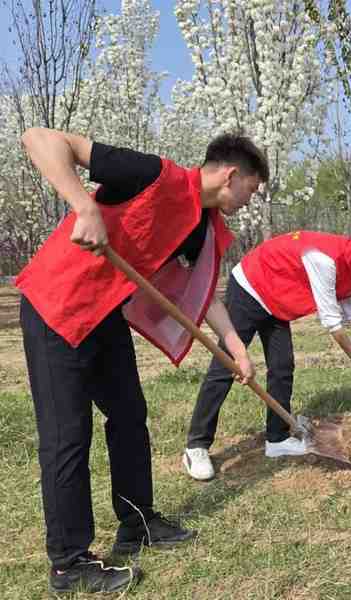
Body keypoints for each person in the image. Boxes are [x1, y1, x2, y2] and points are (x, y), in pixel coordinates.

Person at [16, 127, 266, 594]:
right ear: (231, 176)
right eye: (251, 190)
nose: (249, 201)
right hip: (56, 305)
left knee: (130, 415)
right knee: (68, 433)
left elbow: (202, 295)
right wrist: (85, 206)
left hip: (103, 313)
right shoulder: (153, 175)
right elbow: (39, 138)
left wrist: (236, 346)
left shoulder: (198, 224)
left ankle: (136, 522)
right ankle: (69, 563)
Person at [182, 227, 351, 481]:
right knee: (226, 365)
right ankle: (196, 446)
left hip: (277, 298)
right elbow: (332, 323)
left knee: (282, 366)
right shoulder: (324, 260)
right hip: (251, 286)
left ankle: (276, 439)